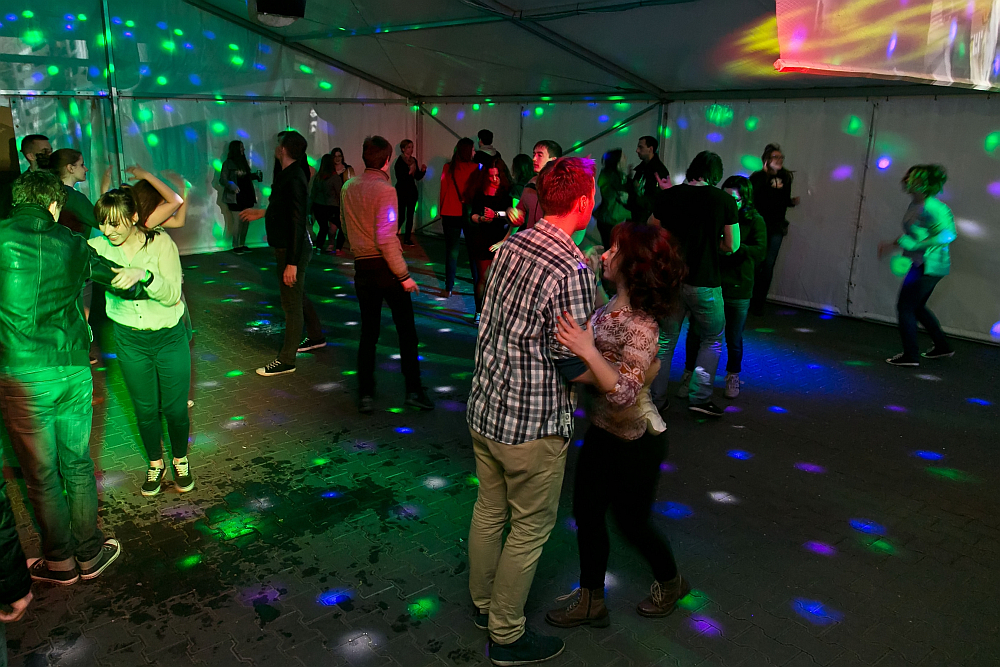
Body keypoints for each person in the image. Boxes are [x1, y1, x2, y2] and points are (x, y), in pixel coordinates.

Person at [467, 157, 598, 666]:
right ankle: (505, 634)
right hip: (531, 424)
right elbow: (572, 365)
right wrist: (614, 370)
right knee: (528, 528)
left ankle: (483, 604)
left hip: (486, 408)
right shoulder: (571, 269)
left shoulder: (512, 244)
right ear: (583, 203)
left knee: (489, 510)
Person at [0, 171, 148, 585]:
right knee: (78, 464)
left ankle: (60, 563)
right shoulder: (72, 243)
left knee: (42, 475)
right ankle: (89, 554)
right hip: (72, 370)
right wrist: (142, 276)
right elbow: (125, 284)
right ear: (54, 205)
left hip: (22, 375)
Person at [545, 222, 689, 630]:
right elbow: (601, 327)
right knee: (587, 513)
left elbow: (624, 393)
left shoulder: (642, 325)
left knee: (631, 522)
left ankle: (671, 581)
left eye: (614, 249)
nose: (605, 253)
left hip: (638, 440)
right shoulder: (611, 304)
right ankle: (591, 600)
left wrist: (588, 352)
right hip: (603, 430)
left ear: (633, 265)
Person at [90, 188, 194, 496]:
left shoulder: (160, 243)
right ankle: (155, 463)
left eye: (115, 223)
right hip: (130, 340)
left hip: (168, 337)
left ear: (134, 217)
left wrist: (144, 275)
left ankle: (180, 459)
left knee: (175, 409)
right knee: (145, 410)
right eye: (102, 223)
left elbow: (172, 295)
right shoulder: (97, 247)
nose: (107, 230)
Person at [341, 136, 434, 415]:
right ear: (386, 160)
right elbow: (386, 238)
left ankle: (366, 394)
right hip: (386, 270)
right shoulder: (385, 190)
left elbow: (345, 227)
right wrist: (404, 276)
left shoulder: (348, 187)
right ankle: (413, 390)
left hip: (362, 269)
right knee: (407, 332)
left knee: (369, 332)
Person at [647, 151, 739, 417]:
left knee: (666, 340)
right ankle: (700, 397)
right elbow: (732, 245)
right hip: (705, 281)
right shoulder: (724, 200)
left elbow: (651, 228)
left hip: (672, 280)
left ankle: (656, 399)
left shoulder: (669, 196)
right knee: (712, 338)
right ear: (715, 174)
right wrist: (710, 245)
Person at [242, 131, 325, 376]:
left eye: (279, 144)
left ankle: (287, 360)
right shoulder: (289, 174)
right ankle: (316, 336)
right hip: (290, 247)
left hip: (292, 249)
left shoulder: (295, 176)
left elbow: (297, 221)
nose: (276, 148)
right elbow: (285, 209)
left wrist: (292, 262)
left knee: (291, 303)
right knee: (297, 294)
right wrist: (262, 213)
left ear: (284, 149)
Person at [680, 176, 766, 400]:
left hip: (738, 287)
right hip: (712, 284)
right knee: (697, 332)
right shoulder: (715, 215)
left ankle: (732, 375)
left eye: (734, 199)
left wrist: (733, 247)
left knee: (733, 337)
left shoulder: (755, 220)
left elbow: (760, 251)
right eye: (725, 197)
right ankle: (689, 374)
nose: (730, 203)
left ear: (745, 199)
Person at [879, 164, 956, 366]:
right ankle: (942, 347)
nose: (906, 180)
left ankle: (911, 355)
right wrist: (891, 245)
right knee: (917, 307)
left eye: (912, 178)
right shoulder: (916, 204)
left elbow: (948, 234)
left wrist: (917, 245)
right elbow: (914, 234)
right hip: (922, 264)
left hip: (929, 266)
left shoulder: (933, 207)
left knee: (905, 306)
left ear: (924, 184)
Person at [749, 143, 799, 315]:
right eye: (776, 157)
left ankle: (758, 304)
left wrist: (791, 202)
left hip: (776, 226)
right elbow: (752, 198)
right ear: (767, 160)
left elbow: (782, 200)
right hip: (758, 226)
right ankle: (747, 300)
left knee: (768, 264)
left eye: (781, 157)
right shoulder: (757, 177)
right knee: (755, 263)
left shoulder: (785, 177)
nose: (779, 160)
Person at [464, 158, 513, 322]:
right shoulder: (480, 192)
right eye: (491, 176)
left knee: (499, 279)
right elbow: (473, 215)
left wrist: (496, 215)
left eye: (497, 176)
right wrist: (481, 219)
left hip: (501, 237)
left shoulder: (506, 192)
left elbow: (513, 215)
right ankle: (479, 311)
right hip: (483, 237)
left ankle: (495, 312)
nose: (494, 179)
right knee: (483, 278)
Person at [439, 137, 479, 298]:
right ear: (468, 151)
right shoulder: (476, 168)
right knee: (473, 251)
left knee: (451, 252)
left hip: (450, 212)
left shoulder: (448, 167)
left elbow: (443, 190)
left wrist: (442, 211)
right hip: (469, 213)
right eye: (473, 149)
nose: (474, 152)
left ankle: (448, 287)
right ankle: (478, 284)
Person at [504, 140, 563, 235]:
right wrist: (512, 214)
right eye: (534, 154)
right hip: (531, 240)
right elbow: (520, 212)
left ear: (553, 160)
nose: (534, 159)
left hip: (550, 242)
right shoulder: (531, 183)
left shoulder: (562, 187)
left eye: (540, 155)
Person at [220, 140, 263, 254]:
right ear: (235, 149)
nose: (243, 149)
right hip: (235, 197)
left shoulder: (243, 162)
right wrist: (232, 186)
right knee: (237, 222)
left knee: (246, 220)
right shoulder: (228, 163)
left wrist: (255, 176)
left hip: (246, 195)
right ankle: (236, 245)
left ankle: (242, 244)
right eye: (241, 147)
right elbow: (223, 179)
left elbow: (245, 177)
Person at [627, 136, 670, 225]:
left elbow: (655, 201)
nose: (637, 150)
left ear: (650, 149)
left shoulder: (659, 171)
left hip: (647, 222)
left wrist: (633, 198)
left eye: (641, 147)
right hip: (636, 218)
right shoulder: (641, 168)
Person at [393, 140, 426, 247]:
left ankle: (407, 239)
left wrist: (423, 171)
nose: (411, 149)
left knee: (410, 215)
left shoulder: (413, 161)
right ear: (403, 149)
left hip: (411, 191)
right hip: (402, 191)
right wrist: (409, 172)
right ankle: (392, 236)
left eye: (412, 147)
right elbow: (400, 178)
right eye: (408, 147)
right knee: (402, 216)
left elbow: (417, 177)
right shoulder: (399, 162)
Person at [594, 149, 630, 248]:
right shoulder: (614, 178)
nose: (626, 158)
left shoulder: (608, 176)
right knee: (613, 249)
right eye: (623, 157)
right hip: (611, 219)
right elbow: (623, 197)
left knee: (610, 248)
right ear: (617, 161)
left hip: (606, 218)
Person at [311, 153, 343, 253]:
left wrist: (309, 209)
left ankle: (319, 248)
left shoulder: (318, 177)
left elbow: (313, 193)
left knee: (323, 228)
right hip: (331, 207)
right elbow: (339, 193)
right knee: (342, 227)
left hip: (318, 206)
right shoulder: (335, 178)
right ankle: (338, 248)